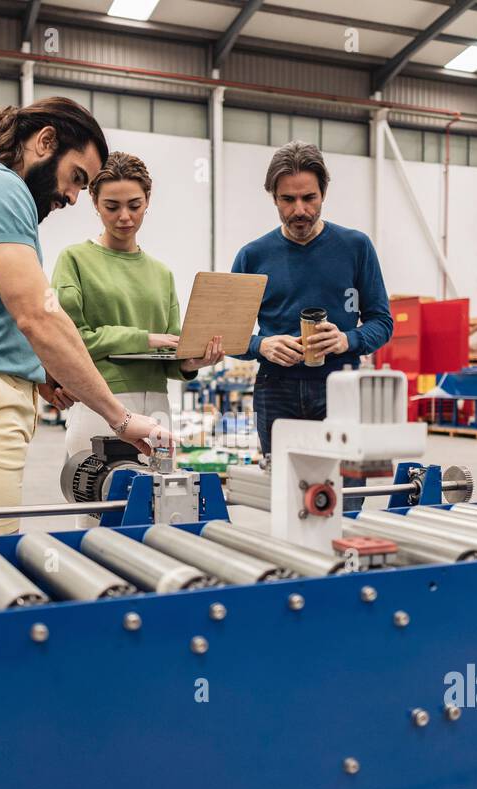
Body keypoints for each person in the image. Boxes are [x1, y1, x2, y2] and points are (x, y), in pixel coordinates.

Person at [0, 98, 170, 537]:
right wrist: (119, 419)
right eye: (76, 178)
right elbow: (39, 317)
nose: (71, 196)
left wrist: (38, 371)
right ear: (45, 141)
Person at [51, 151, 224, 525]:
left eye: (134, 205)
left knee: (162, 516)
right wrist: (145, 338)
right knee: (99, 521)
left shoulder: (161, 273)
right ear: (94, 203)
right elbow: (70, 339)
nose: (124, 217)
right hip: (99, 404)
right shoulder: (74, 260)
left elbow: (174, 347)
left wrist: (193, 361)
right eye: (111, 206)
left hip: (158, 407)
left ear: (148, 202)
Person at [231, 141, 393, 509]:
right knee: (287, 500)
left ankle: (344, 561)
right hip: (277, 389)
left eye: (310, 198)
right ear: (273, 196)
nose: (300, 210)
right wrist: (262, 346)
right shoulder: (252, 256)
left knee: (347, 498)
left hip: (343, 388)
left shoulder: (356, 247)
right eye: (288, 200)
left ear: (324, 193)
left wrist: (347, 340)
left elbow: (382, 322)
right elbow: (227, 336)